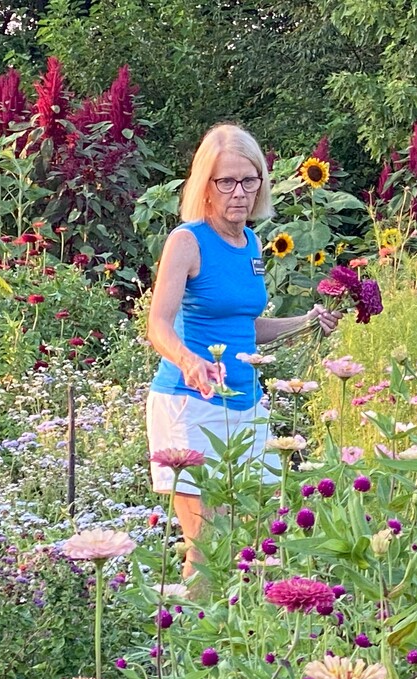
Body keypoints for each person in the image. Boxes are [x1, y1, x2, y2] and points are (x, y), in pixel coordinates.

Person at [146, 123, 341, 580]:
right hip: (190, 403)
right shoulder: (187, 241)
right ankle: (188, 645)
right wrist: (191, 361)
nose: (239, 192)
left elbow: (245, 326)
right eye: (226, 181)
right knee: (208, 544)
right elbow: (157, 324)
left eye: (249, 180)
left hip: (245, 404)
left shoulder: (251, 242)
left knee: (254, 535)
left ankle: (242, 643)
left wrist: (307, 321)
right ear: (205, 186)